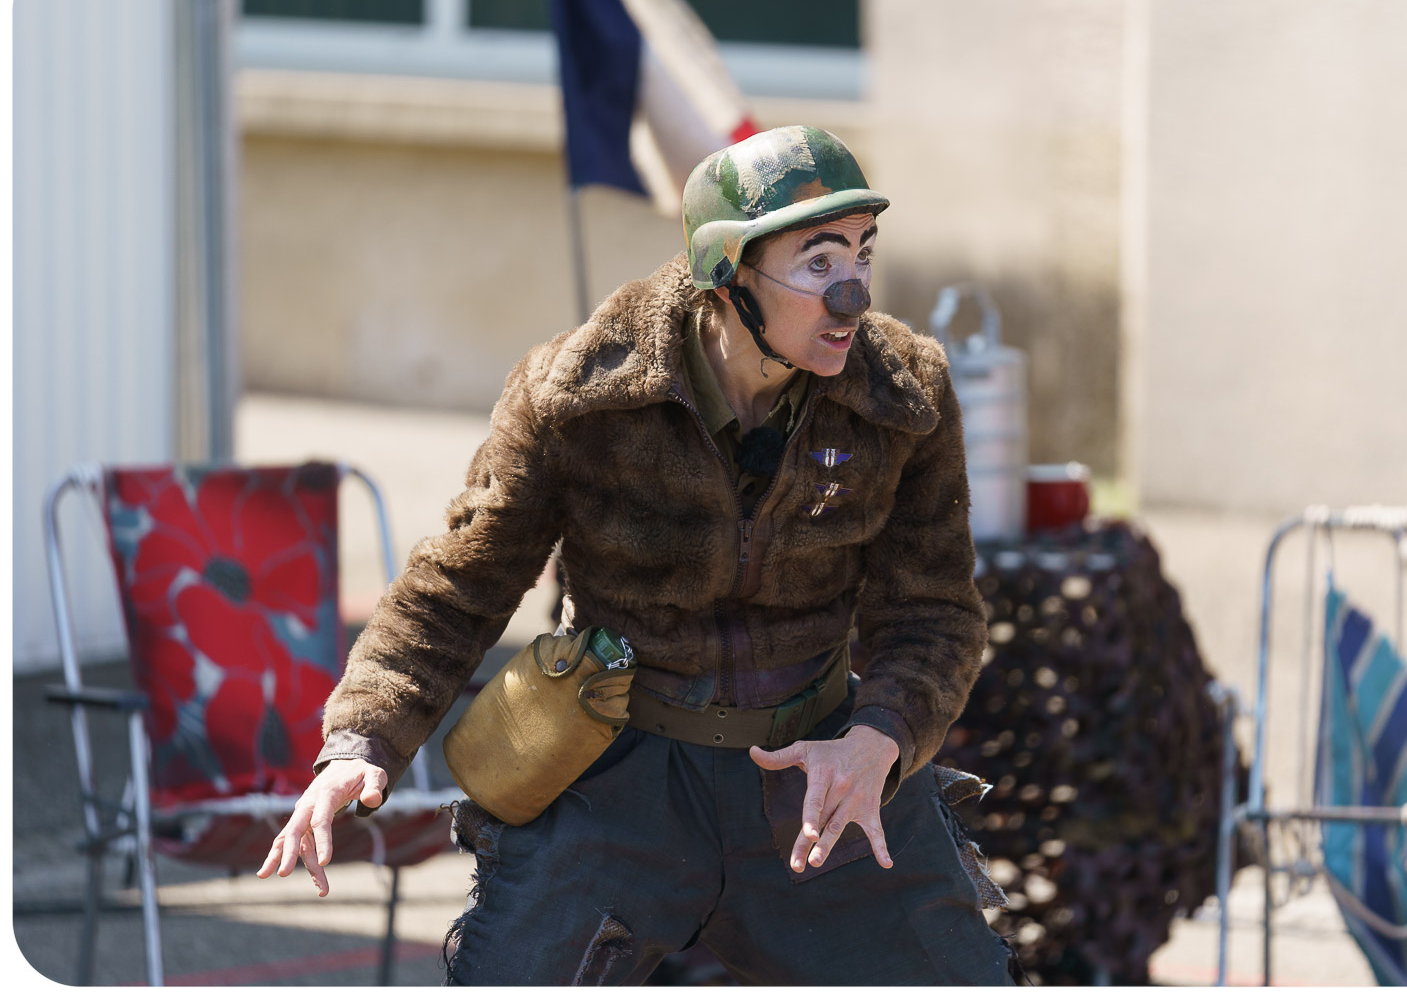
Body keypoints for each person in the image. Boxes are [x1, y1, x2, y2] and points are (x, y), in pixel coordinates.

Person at [257, 125, 1017, 985]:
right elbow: (457, 585)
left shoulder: (903, 395)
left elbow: (934, 610)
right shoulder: (579, 393)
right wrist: (361, 741)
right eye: (817, 264)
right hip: (625, 776)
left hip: (820, 770)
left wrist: (879, 739)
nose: (851, 294)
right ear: (727, 274)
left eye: (863, 255)